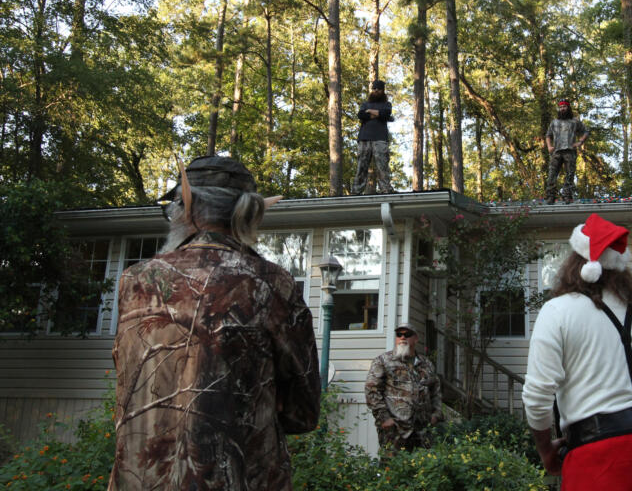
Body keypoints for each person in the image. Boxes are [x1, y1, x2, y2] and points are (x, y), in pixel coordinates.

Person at [109, 156, 321, 490]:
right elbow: (303, 412)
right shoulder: (270, 283)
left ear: (187, 206)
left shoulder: (135, 281)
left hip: (143, 479)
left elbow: (126, 384)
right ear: (248, 214)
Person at [522, 214, 632, 491]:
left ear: (576, 261)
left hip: (600, 453)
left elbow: (537, 396)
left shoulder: (557, 311)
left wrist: (546, 450)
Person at [365, 323, 442, 452]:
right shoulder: (383, 361)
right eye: (399, 334)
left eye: (407, 334)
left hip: (422, 429)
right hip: (395, 429)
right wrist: (384, 418)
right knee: (392, 463)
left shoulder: (426, 364)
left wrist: (436, 415)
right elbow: (372, 390)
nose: (402, 337)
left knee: (422, 463)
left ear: (415, 339)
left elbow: (436, 391)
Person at [352, 79, 395, 195]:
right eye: (374, 88)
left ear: (383, 90)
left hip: (380, 139)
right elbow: (361, 115)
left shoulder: (387, 104)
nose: (376, 90)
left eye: (379, 89)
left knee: (382, 165)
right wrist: (378, 114)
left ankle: (385, 189)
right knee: (361, 166)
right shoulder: (365, 104)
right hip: (364, 138)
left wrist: (370, 111)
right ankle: (356, 191)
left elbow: (386, 114)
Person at [544, 99, 588, 204]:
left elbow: (586, 131)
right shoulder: (554, 122)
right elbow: (548, 135)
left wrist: (580, 142)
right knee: (552, 174)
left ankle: (567, 195)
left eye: (564, 107)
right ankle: (551, 196)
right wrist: (549, 146)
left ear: (568, 108)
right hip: (557, 151)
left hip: (570, 151)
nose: (562, 109)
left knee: (570, 174)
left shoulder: (574, 121)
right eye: (561, 107)